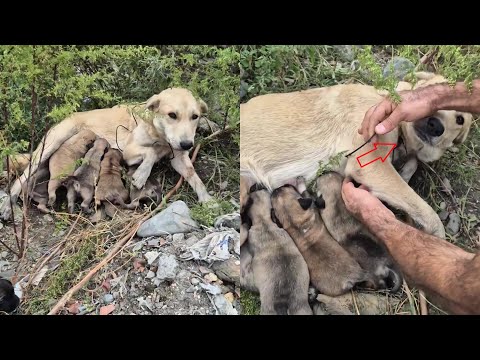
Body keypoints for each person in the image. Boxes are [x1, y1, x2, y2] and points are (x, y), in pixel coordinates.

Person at [341, 79, 480, 315]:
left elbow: (469, 292)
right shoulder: (373, 105)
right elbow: (365, 167)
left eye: (459, 119)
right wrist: (434, 226)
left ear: (454, 141)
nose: (439, 122)